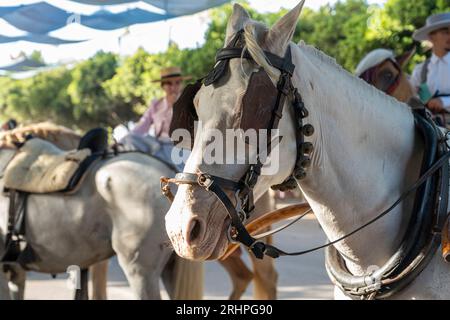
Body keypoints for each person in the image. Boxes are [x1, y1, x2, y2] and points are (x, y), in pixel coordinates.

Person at [120, 66, 191, 171]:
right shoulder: (156, 105)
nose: (173, 87)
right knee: (129, 139)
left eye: (177, 83)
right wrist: (121, 142)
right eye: (169, 84)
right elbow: (140, 127)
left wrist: (175, 107)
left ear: (182, 84)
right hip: (157, 145)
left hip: (179, 147)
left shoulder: (189, 102)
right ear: (163, 86)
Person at [410, 12, 450, 126]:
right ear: (431, 36)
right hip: (429, 127)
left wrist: (444, 102)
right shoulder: (420, 70)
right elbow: (412, 99)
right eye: (446, 32)